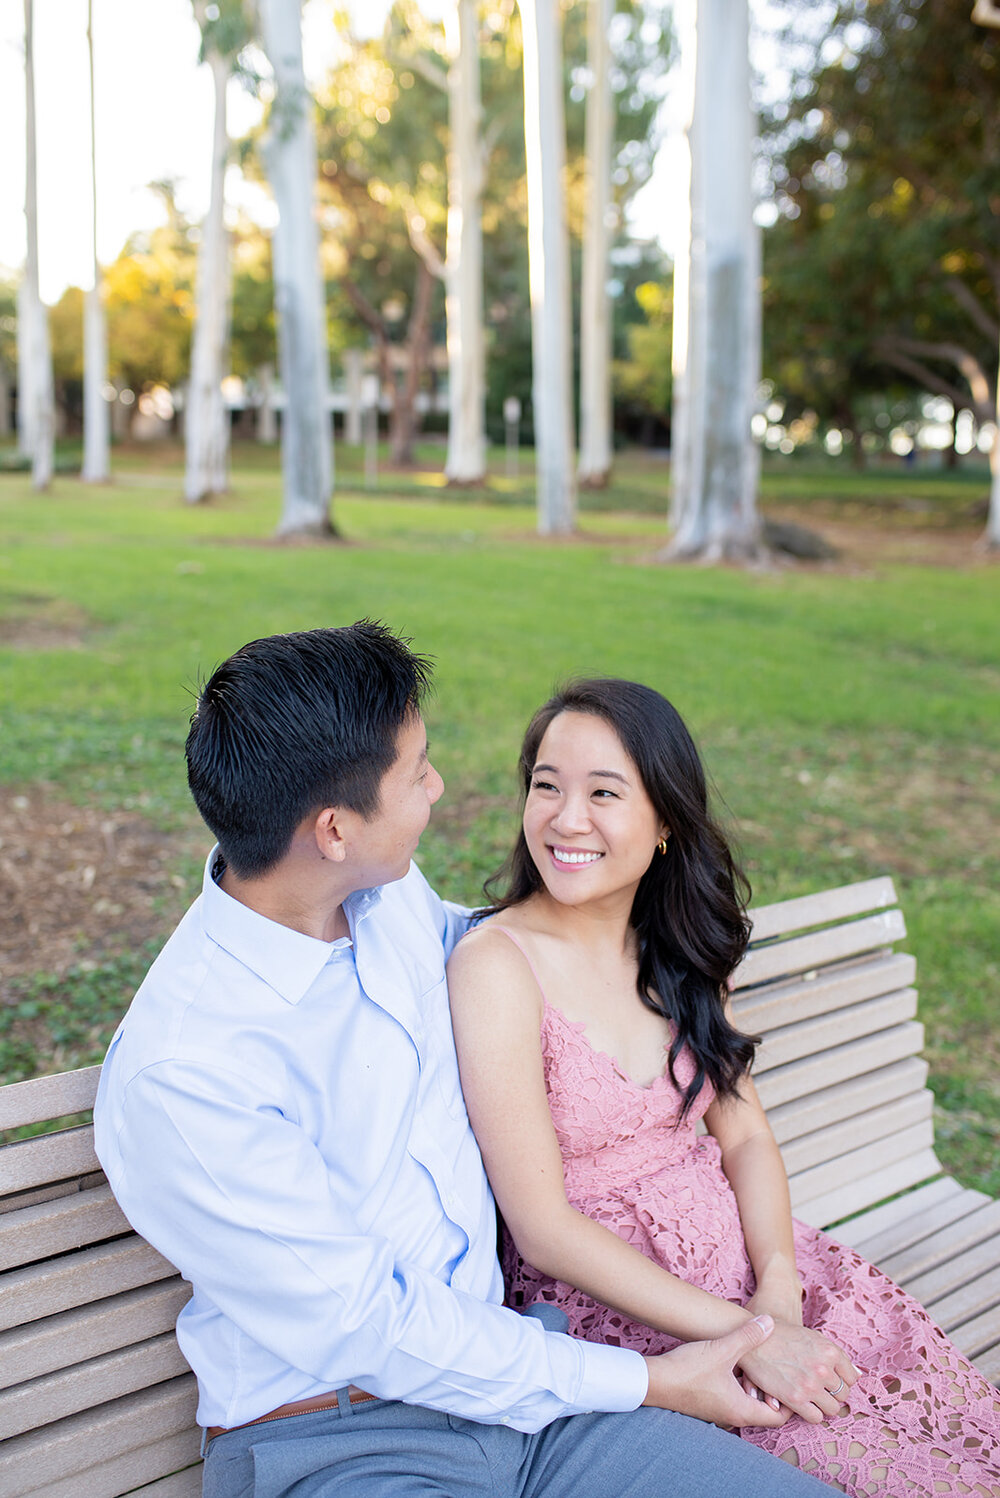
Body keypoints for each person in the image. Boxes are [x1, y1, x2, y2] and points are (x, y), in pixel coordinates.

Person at [94, 624, 835, 1498]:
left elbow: (506, 949)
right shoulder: (187, 1073)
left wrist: (657, 933)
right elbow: (371, 1326)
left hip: (532, 1404)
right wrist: (652, 1382)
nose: (438, 788)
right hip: (345, 1437)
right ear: (333, 830)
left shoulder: (382, 896)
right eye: (418, 771)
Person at [448, 677, 1000, 1498]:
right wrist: (747, 1336)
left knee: (961, 1444)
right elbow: (543, 1228)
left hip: (758, 1272)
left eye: (604, 792)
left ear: (666, 821)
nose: (566, 819)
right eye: (546, 786)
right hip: (631, 1320)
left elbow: (744, 1137)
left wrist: (778, 1282)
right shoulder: (497, 966)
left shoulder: (678, 949)